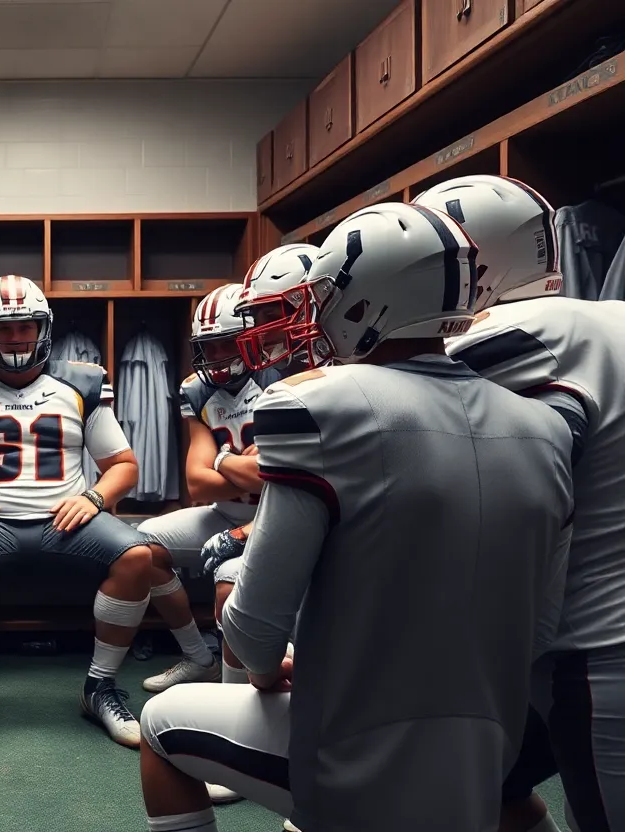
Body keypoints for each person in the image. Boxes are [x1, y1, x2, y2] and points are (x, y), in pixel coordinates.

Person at [139, 202, 575, 832]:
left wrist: (266, 669)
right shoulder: (547, 425)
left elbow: (254, 632)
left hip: (358, 752)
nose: (312, 316)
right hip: (489, 748)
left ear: (365, 303)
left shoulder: (318, 405)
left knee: (161, 724)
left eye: (322, 299)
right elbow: (542, 624)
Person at [0, 274, 200, 749]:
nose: (15, 337)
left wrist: (93, 498)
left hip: (66, 521)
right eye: (3, 328)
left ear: (44, 327)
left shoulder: (82, 381)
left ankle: (100, 686)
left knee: (136, 556)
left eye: (25, 326)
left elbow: (123, 465)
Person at [417, 174, 625, 832]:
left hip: (593, 644)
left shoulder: (512, 333)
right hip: (578, 632)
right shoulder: (608, 316)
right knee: (492, 786)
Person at [138, 246, 319, 694]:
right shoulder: (197, 390)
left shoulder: (284, 377)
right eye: (208, 347)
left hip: (281, 514)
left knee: (228, 583)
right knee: (140, 548)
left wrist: (221, 459)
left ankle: (238, 695)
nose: (216, 356)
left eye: (225, 343)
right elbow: (198, 483)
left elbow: (280, 476)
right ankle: (196, 655)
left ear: (250, 337)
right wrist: (235, 462)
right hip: (225, 511)